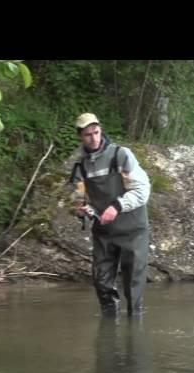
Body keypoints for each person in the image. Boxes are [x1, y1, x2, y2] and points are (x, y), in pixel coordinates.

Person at [68, 113, 151, 318]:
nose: (94, 138)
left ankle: (134, 328)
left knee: (132, 282)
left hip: (133, 229)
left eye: (96, 132)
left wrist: (117, 206)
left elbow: (143, 190)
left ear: (101, 130)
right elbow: (79, 198)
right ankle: (109, 332)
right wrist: (80, 210)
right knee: (102, 282)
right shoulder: (80, 167)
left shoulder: (121, 155)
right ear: (80, 136)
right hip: (103, 232)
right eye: (88, 135)